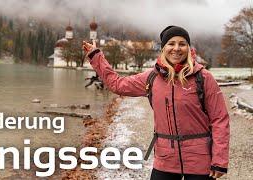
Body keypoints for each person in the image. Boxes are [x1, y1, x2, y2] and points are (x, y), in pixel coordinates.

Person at [82, 26, 230, 180]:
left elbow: (219, 119)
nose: (176, 48)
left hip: (199, 160)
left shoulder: (204, 78)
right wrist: (96, 56)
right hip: (165, 160)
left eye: (182, 44)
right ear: (163, 48)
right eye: (171, 43)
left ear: (188, 47)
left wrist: (219, 160)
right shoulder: (152, 78)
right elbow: (117, 84)